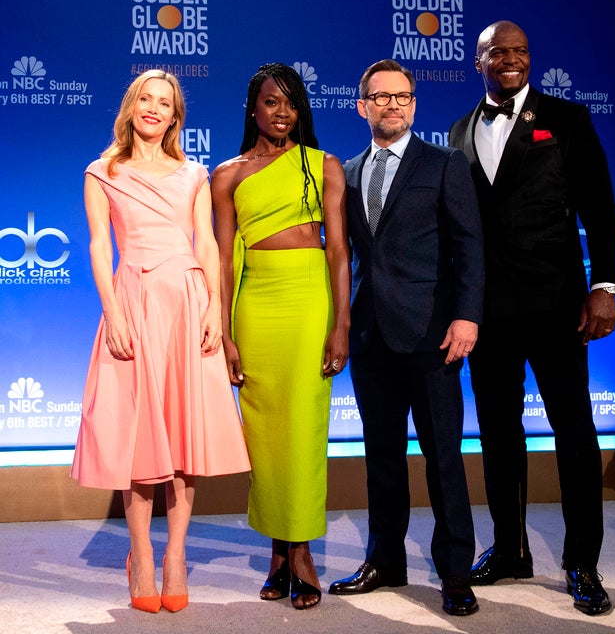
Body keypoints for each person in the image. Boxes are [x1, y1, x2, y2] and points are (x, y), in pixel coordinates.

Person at [449, 21, 615, 616]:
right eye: (499, 52)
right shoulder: (459, 130)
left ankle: (583, 562)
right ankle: (509, 548)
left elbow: (601, 206)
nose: (511, 60)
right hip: (488, 311)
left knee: (574, 431)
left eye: (520, 51)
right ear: (480, 62)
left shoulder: (568, 119)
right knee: (498, 434)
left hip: (556, 306)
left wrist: (604, 285)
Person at [71, 70, 251, 613]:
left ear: (176, 117)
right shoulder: (102, 171)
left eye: (165, 103)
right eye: (145, 99)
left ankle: (174, 555)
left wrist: (215, 311)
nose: (154, 108)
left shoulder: (194, 173)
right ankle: (140, 556)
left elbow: (207, 244)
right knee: (139, 437)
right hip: (136, 302)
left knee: (183, 437)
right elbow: (101, 248)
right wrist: (113, 310)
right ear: (131, 108)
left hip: (186, 303)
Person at [328, 59, 484, 617]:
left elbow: (469, 245)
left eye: (402, 96)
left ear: (413, 104)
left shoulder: (444, 163)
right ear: (361, 105)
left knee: (444, 458)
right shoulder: (344, 172)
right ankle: (385, 559)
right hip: (371, 337)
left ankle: (455, 573)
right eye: (381, 97)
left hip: (432, 335)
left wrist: (467, 318)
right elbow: (345, 258)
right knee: (382, 457)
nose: (392, 105)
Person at [210, 63, 351, 610]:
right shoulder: (226, 176)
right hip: (257, 307)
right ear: (254, 108)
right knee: (265, 436)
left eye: (291, 102)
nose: (282, 111)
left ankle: (301, 552)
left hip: (307, 303)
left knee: (303, 431)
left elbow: (338, 251)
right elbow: (223, 259)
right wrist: (223, 334)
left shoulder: (324, 165)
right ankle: (278, 549)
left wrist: (340, 323)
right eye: (272, 101)